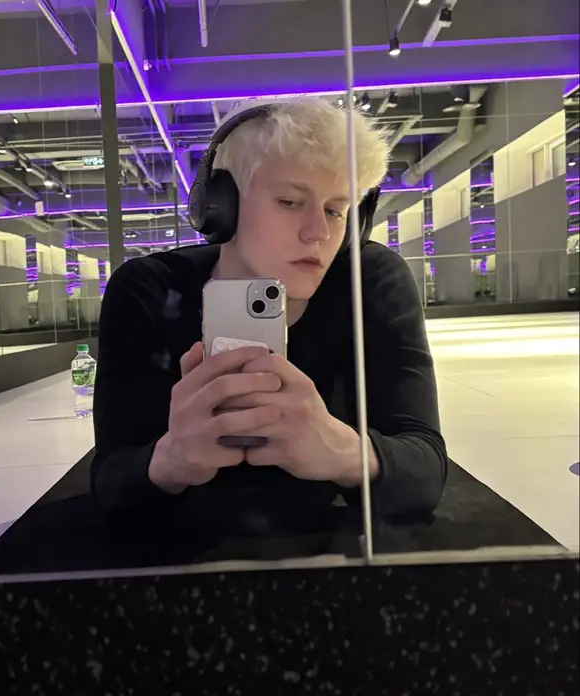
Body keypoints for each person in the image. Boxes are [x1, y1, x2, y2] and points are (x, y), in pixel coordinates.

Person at [90, 97, 447, 550]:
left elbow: (426, 464)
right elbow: (111, 481)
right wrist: (170, 460)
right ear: (220, 206)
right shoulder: (149, 290)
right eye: (290, 201)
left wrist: (342, 451)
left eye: (336, 210)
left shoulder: (370, 279)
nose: (319, 232)